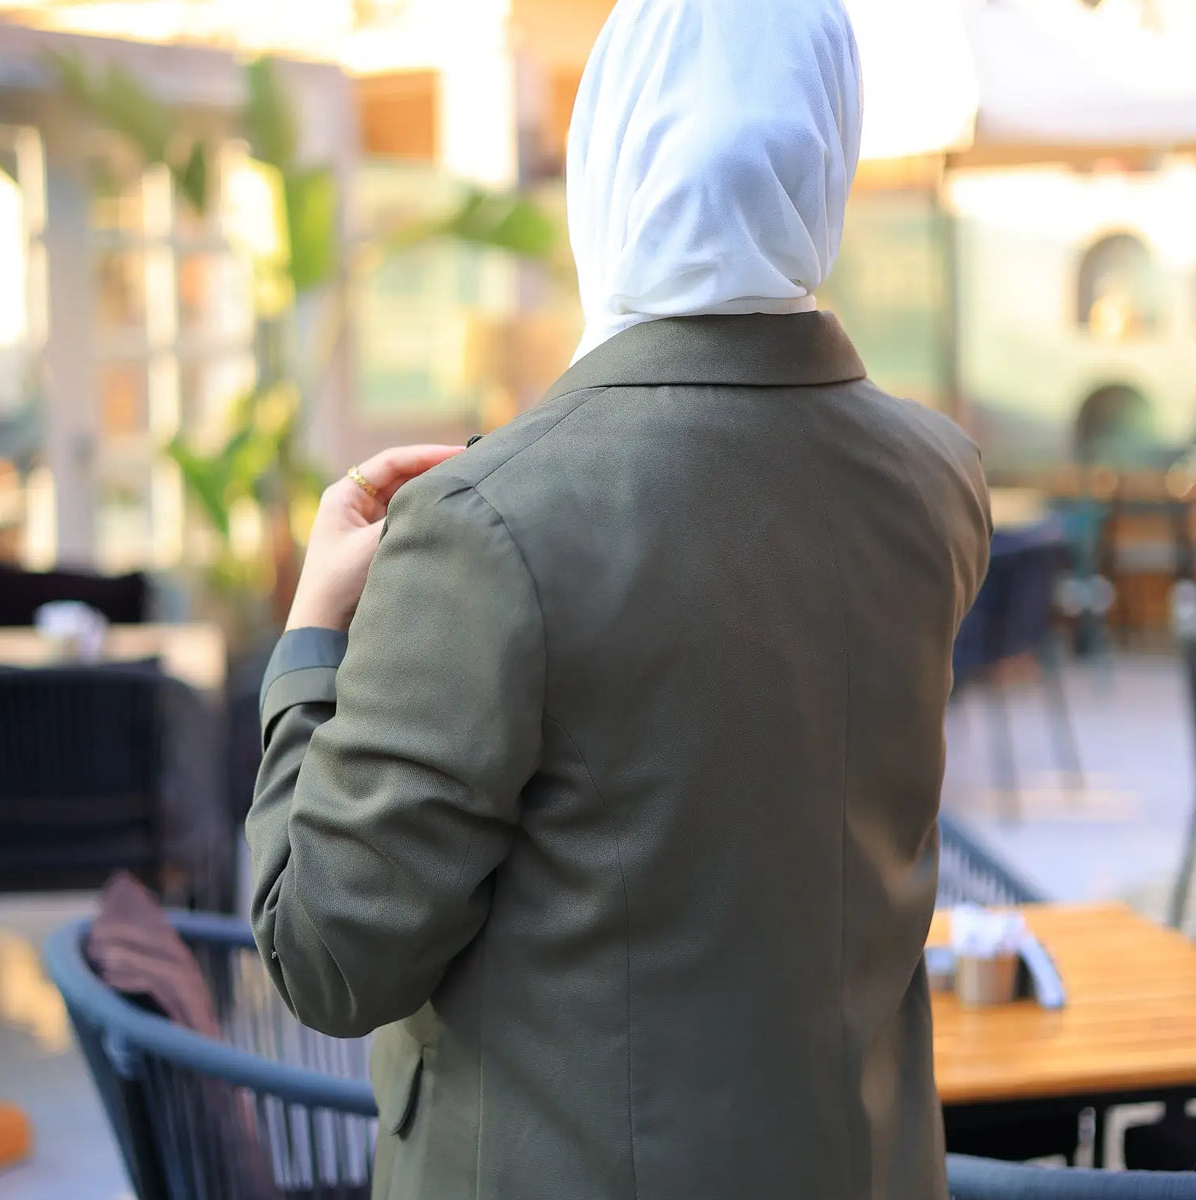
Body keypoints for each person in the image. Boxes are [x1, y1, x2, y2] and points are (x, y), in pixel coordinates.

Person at [247, 0, 991, 1197]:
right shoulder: (939, 482)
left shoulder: (490, 524)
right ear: (828, 148)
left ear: (614, 146)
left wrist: (309, 642)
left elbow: (326, 958)